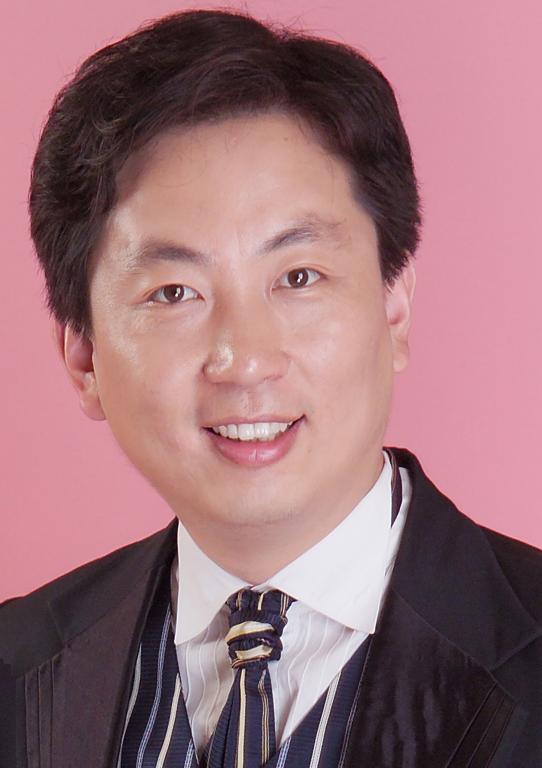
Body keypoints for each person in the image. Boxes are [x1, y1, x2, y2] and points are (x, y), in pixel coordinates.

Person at [1, 8, 541, 767]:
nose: (245, 359)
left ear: (393, 308)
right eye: (174, 292)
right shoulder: (15, 667)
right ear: (85, 356)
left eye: (299, 276)